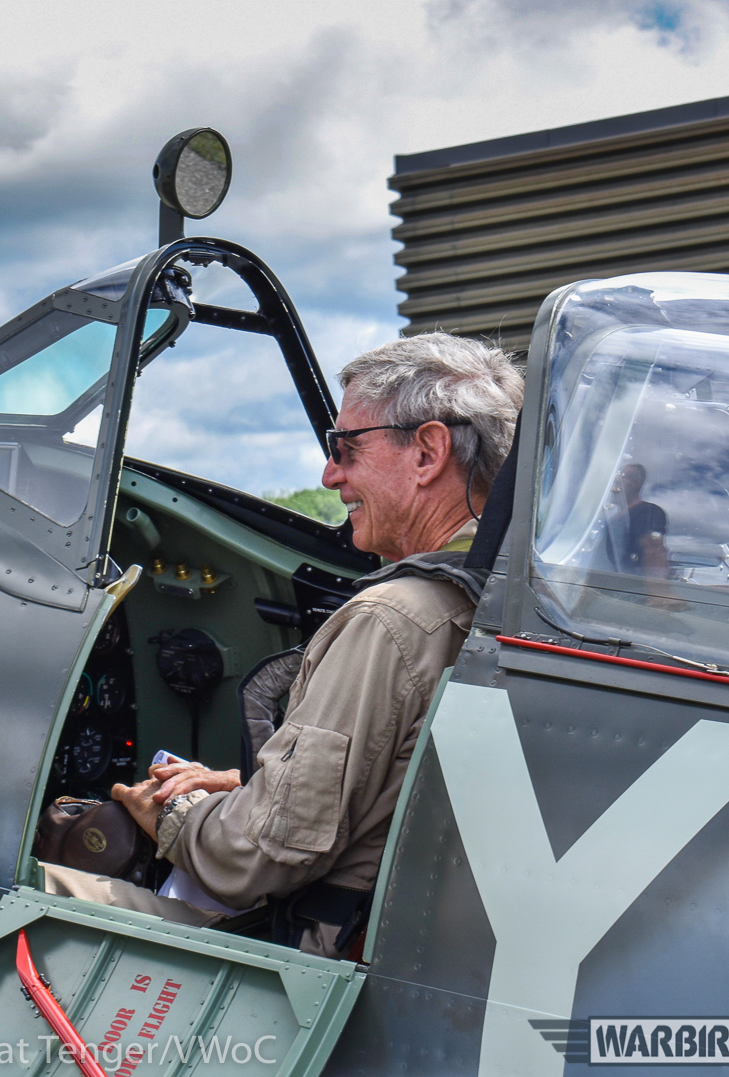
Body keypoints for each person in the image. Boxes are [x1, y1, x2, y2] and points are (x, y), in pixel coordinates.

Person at [41, 332, 523, 957]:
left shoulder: (393, 619)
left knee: (18, 886)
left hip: (319, 946)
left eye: (347, 448)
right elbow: (375, 797)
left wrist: (167, 813)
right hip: (413, 929)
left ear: (428, 451)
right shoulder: (497, 596)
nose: (330, 475)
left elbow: (259, 855)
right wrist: (244, 790)